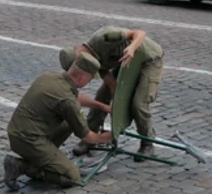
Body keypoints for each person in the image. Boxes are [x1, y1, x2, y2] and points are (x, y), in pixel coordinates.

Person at [4, 53, 113, 190]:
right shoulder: (67, 100)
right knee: (72, 177)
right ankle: (21, 166)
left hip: (18, 131)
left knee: (68, 124)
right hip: (29, 140)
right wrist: (109, 137)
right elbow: (88, 137)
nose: (89, 82)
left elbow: (76, 97)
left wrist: (103, 106)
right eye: (90, 79)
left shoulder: (51, 77)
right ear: (81, 77)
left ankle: (45, 158)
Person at [61, 26, 165, 162]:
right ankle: (89, 138)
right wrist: (115, 90)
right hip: (126, 63)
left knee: (139, 103)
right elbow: (107, 77)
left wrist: (132, 48)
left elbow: (139, 33)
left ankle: (147, 143)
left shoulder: (105, 37)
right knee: (101, 96)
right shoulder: (90, 61)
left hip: (149, 59)